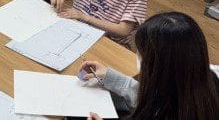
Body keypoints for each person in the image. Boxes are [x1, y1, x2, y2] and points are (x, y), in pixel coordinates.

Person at [80, 12, 219, 120]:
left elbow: (153, 105)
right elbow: (152, 98)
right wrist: (110, 77)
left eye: (140, 53)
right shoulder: (202, 78)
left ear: (158, 67)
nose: (137, 55)